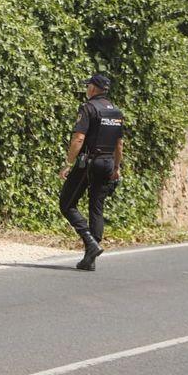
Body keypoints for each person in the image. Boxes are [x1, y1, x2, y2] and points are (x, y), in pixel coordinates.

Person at [59, 74, 125, 271]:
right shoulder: (116, 112)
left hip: (88, 162)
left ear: (94, 89)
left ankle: (90, 243)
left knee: (67, 203)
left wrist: (68, 163)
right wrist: (116, 167)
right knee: (96, 208)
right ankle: (90, 259)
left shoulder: (88, 108)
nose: (87, 89)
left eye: (88, 86)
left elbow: (79, 139)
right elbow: (119, 144)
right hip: (107, 163)